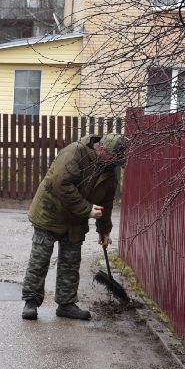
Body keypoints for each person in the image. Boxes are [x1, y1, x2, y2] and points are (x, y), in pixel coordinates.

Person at [22, 132, 128, 322]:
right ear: (102, 148)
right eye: (113, 158)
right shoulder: (74, 153)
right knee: (40, 259)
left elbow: (106, 203)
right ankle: (31, 301)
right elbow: (61, 184)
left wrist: (104, 231)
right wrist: (87, 210)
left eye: (118, 161)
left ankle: (66, 303)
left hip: (76, 220)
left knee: (71, 262)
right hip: (50, 212)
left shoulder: (109, 171)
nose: (115, 164)